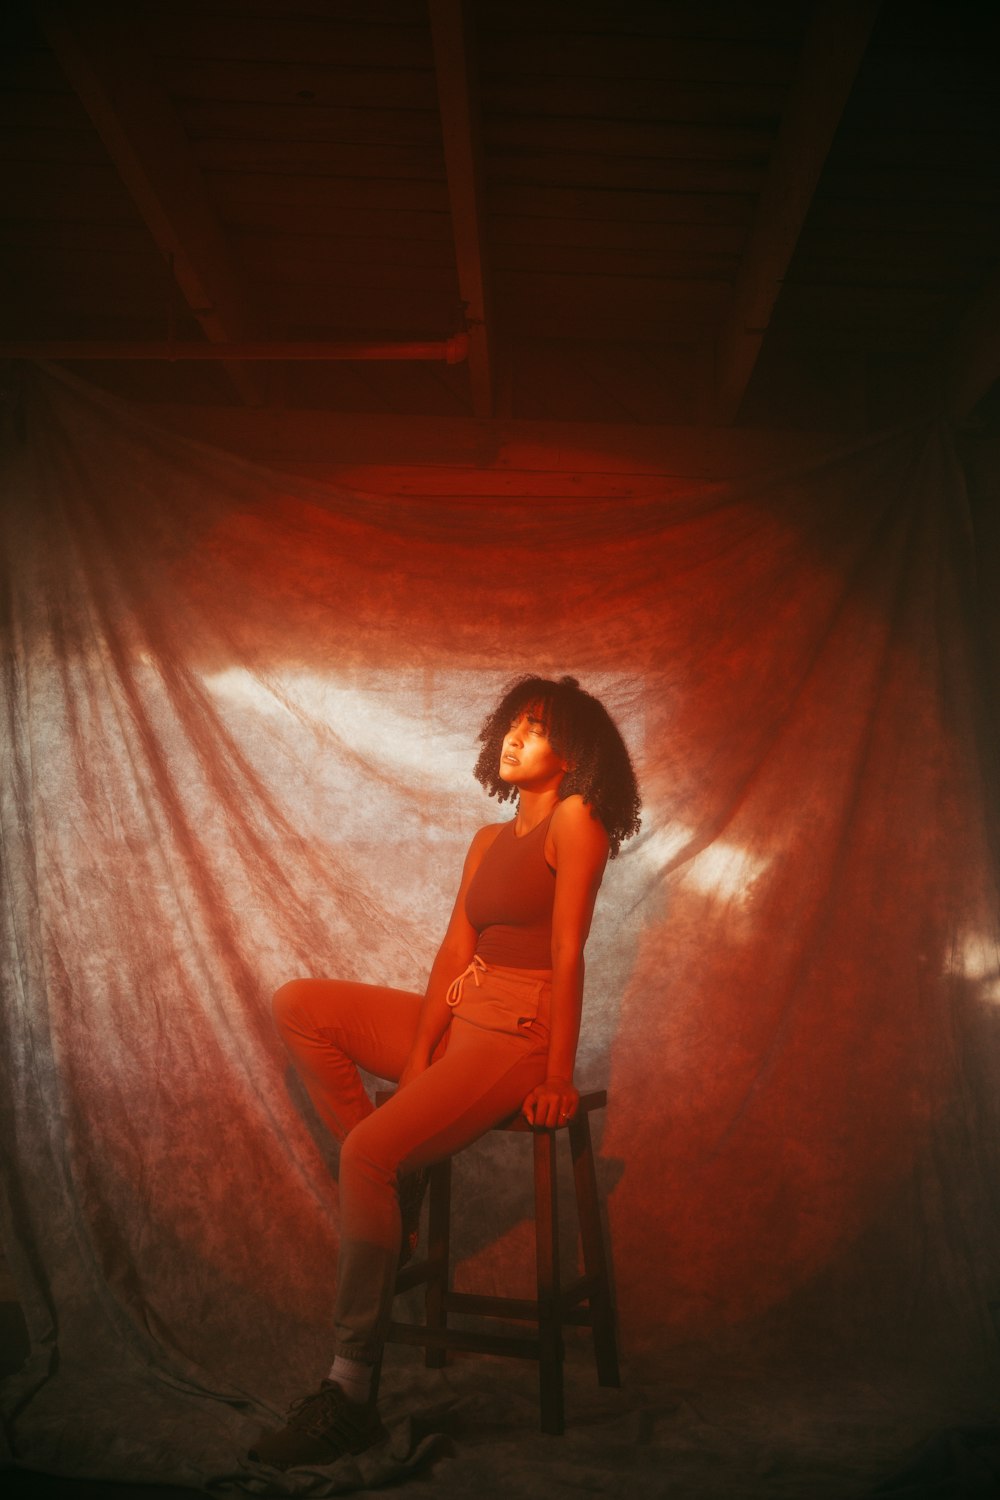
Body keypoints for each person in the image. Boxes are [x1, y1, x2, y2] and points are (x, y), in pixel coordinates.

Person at [249, 674, 641, 1469]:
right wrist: (423, 1051)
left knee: (364, 1156)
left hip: (519, 1032)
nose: (518, 736)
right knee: (301, 1004)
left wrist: (559, 1073)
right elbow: (453, 951)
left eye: (539, 727)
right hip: (463, 1015)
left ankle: (351, 1388)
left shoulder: (577, 819)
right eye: (515, 723)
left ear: (576, 750)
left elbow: (568, 952)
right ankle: (394, 1175)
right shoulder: (487, 840)